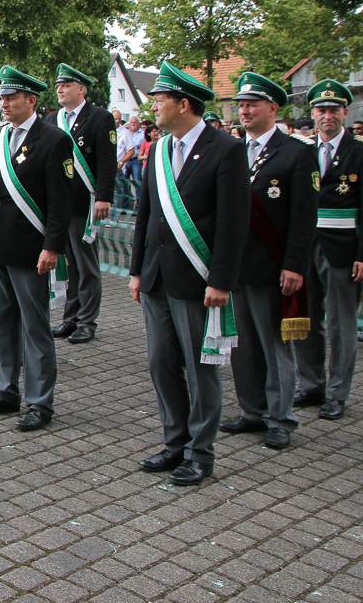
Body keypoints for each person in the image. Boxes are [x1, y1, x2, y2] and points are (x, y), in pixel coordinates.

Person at [129, 61, 250, 486]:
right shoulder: (160, 149)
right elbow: (146, 214)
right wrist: (137, 270)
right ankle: (174, 442)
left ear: (183, 104)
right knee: (161, 363)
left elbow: (234, 222)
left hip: (197, 280)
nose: (154, 107)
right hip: (157, 278)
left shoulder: (226, 149)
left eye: (160, 100)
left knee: (201, 369)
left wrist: (221, 280)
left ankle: (200, 453)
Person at [217, 72, 317, 451]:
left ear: (273, 108)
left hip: (272, 266)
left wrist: (295, 265)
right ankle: (253, 410)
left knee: (274, 346)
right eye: (240, 105)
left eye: (252, 105)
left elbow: (304, 218)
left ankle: (280, 418)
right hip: (236, 267)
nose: (244, 111)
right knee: (242, 344)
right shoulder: (231, 150)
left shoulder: (297, 153)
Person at [0, 66, 72, 431]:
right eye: (2, 98)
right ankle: (6, 391)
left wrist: (52, 246)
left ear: (31, 100)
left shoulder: (54, 140)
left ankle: (40, 403)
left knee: (35, 328)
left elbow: (61, 201)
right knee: (3, 324)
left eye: (11, 98)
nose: (4, 104)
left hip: (31, 249)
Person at [294, 79, 363, 421]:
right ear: (313, 114)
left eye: (334, 110)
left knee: (340, 325)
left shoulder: (360, 152)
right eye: (321, 110)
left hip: (343, 250)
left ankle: (337, 394)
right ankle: (311, 385)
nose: (327, 116)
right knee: (304, 320)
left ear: (345, 113)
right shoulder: (303, 151)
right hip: (304, 247)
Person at [51, 64, 117, 345]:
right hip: (59, 204)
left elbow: (107, 160)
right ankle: (70, 318)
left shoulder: (99, 117)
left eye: (65, 86)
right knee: (67, 264)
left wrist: (103, 197)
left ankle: (87, 321)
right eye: (58, 86)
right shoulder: (53, 118)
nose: (60, 90)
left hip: (84, 203)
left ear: (82, 89)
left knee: (86, 265)